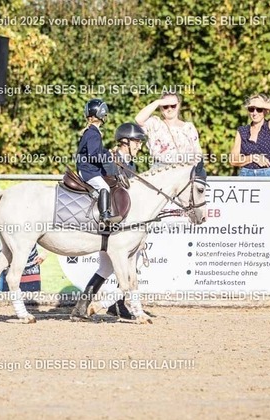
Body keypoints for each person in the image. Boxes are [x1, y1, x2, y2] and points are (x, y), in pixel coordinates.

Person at [71, 122, 147, 321]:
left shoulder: (131, 165)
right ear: (125, 142)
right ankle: (111, 305)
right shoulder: (111, 161)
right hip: (109, 225)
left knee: (106, 268)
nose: (139, 146)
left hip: (122, 226)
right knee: (121, 267)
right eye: (137, 142)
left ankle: (87, 306)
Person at [75, 98, 121, 224]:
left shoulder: (91, 132)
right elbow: (93, 155)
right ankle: (104, 217)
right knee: (104, 187)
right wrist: (108, 158)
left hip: (88, 169)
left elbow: (97, 151)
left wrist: (108, 153)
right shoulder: (93, 134)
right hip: (88, 170)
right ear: (101, 114)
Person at [230, 94, 270, 176]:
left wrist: (263, 104)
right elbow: (233, 160)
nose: (254, 113)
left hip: (266, 175)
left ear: (265, 111)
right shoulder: (242, 131)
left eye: (259, 109)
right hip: (245, 174)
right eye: (251, 109)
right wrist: (253, 158)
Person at [135, 90, 202, 165]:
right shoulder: (155, 124)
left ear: (179, 105)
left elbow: (198, 155)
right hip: (161, 170)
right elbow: (138, 119)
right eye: (165, 106)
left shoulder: (189, 128)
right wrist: (157, 102)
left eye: (173, 105)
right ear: (161, 108)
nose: (169, 109)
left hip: (186, 170)